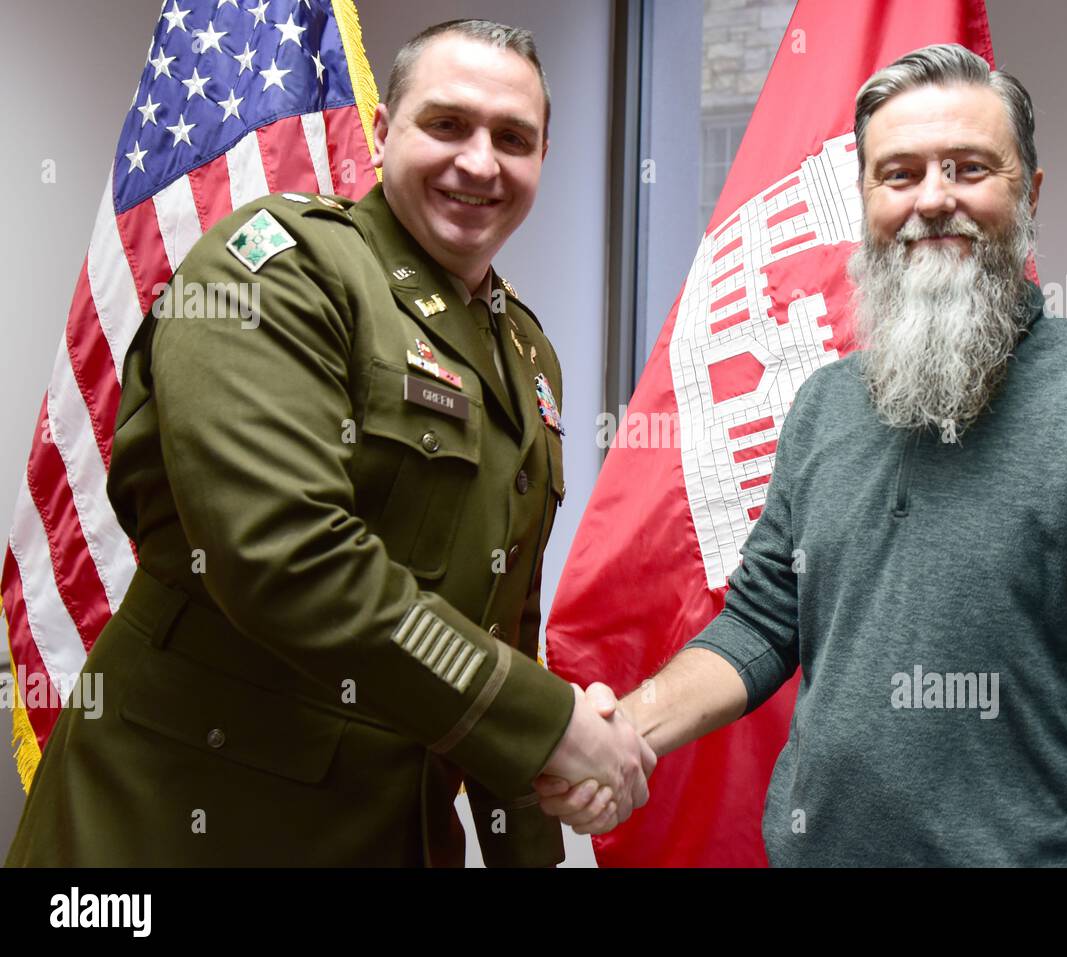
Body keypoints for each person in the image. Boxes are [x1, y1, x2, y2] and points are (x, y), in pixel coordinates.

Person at [537, 43, 1067, 867]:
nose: (933, 199)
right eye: (899, 174)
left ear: (1031, 195)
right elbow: (764, 622)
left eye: (970, 167)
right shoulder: (823, 403)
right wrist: (626, 729)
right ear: (866, 199)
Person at [6, 18, 652, 868]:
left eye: (514, 138)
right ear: (384, 134)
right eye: (447, 124)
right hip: (179, 822)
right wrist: (551, 723)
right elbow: (286, 552)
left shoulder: (527, 356)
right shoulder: (273, 271)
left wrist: (527, 834)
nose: (481, 162)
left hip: (384, 833)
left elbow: (500, 625)